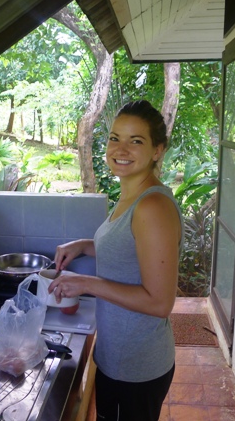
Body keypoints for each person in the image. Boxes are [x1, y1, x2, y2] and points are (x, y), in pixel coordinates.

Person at [48, 100, 183, 421]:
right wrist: (84, 245)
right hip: (119, 355)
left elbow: (160, 302)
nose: (120, 148)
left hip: (136, 366)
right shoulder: (132, 194)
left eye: (136, 140)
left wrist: (86, 283)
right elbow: (128, 247)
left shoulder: (152, 207)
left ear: (157, 151)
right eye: (114, 137)